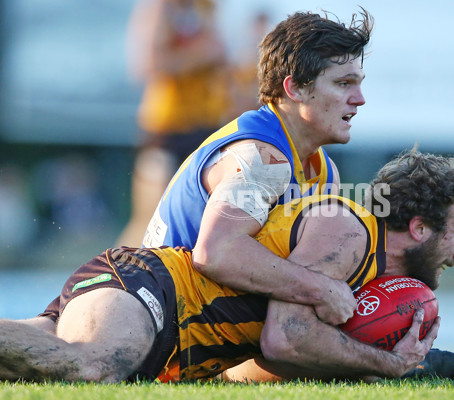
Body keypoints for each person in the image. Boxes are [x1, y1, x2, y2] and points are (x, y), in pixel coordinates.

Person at [0, 150, 454, 383]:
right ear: (418, 227)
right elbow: (285, 337)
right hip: (153, 289)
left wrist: (368, 367)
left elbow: (265, 362)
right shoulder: (350, 226)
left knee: (29, 365)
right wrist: (388, 364)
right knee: (93, 366)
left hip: (166, 336)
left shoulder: (365, 272)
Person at [141, 8, 374, 326]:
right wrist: (322, 290)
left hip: (196, 322)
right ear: (295, 89)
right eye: (344, 83)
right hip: (156, 318)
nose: (359, 99)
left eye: (358, 84)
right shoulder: (262, 160)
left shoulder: (323, 169)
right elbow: (216, 254)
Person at [116, 0, 231, 247]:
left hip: (205, 127)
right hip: (166, 128)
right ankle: (110, 278)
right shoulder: (160, 7)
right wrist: (200, 56)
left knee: (205, 219)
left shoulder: (207, 7)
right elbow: (145, 65)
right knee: (149, 218)